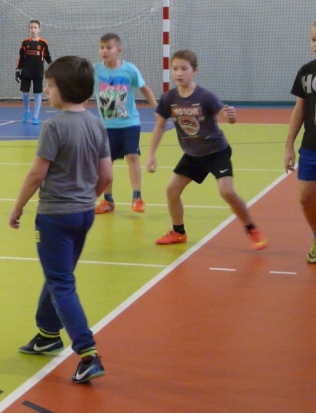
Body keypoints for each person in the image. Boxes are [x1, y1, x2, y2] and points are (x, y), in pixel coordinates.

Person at [9, 56, 111, 383]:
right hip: (84, 214)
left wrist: (18, 207)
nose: (48, 90)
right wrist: (86, 198)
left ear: (63, 89)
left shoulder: (54, 126)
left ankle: (87, 353)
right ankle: (48, 334)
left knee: (62, 282)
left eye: (50, 85)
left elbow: (36, 174)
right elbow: (107, 176)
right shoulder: (96, 124)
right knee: (59, 275)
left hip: (55, 216)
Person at [145, 50, 267, 249]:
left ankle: (251, 227)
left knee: (227, 192)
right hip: (192, 155)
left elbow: (228, 118)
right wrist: (151, 154)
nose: (179, 73)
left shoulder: (205, 96)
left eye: (184, 68)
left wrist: (231, 116)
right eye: (175, 68)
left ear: (194, 71)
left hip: (216, 152)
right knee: (172, 191)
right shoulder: (169, 98)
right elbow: (159, 126)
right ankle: (178, 232)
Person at [93, 33, 157, 214]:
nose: (104, 51)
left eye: (109, 47)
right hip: (107, 126)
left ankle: (137, 197)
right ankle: (108, 200)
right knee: (106, 162)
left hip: (130, 122)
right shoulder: (95, 71)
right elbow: (83, 91)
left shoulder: (129, 69)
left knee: (132, 156)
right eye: (102, 47)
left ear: (118, 50)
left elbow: (145, 88)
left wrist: (157, 109)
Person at [284, 23, 316, 264]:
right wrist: (289, 146)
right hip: (311, 147)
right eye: (313, 39)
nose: (315, 45)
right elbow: (299, 109)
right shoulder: (306, 72)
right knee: (306, 198)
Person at [16, 20, 52, 125]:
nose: (33, 30)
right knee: (25, 93)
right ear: (29, 29)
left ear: (39, 30)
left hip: (38, 71)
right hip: (26, 71)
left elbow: (48, 57)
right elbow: (21, 57)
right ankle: (27, 111)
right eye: (31, 27)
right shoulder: (25, 43)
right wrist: (18, 70)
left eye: (35, 28)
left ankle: (36, 116)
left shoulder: (43, 43)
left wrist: (53, 66)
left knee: (37, 94)